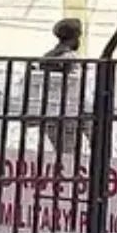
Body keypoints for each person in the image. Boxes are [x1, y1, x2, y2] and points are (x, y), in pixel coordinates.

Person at [38, 17, 88, 163]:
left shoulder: (47, 58)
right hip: (70, 111)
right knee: (69, 154)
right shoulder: (69, 57)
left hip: (51, 111)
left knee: (63, 153)